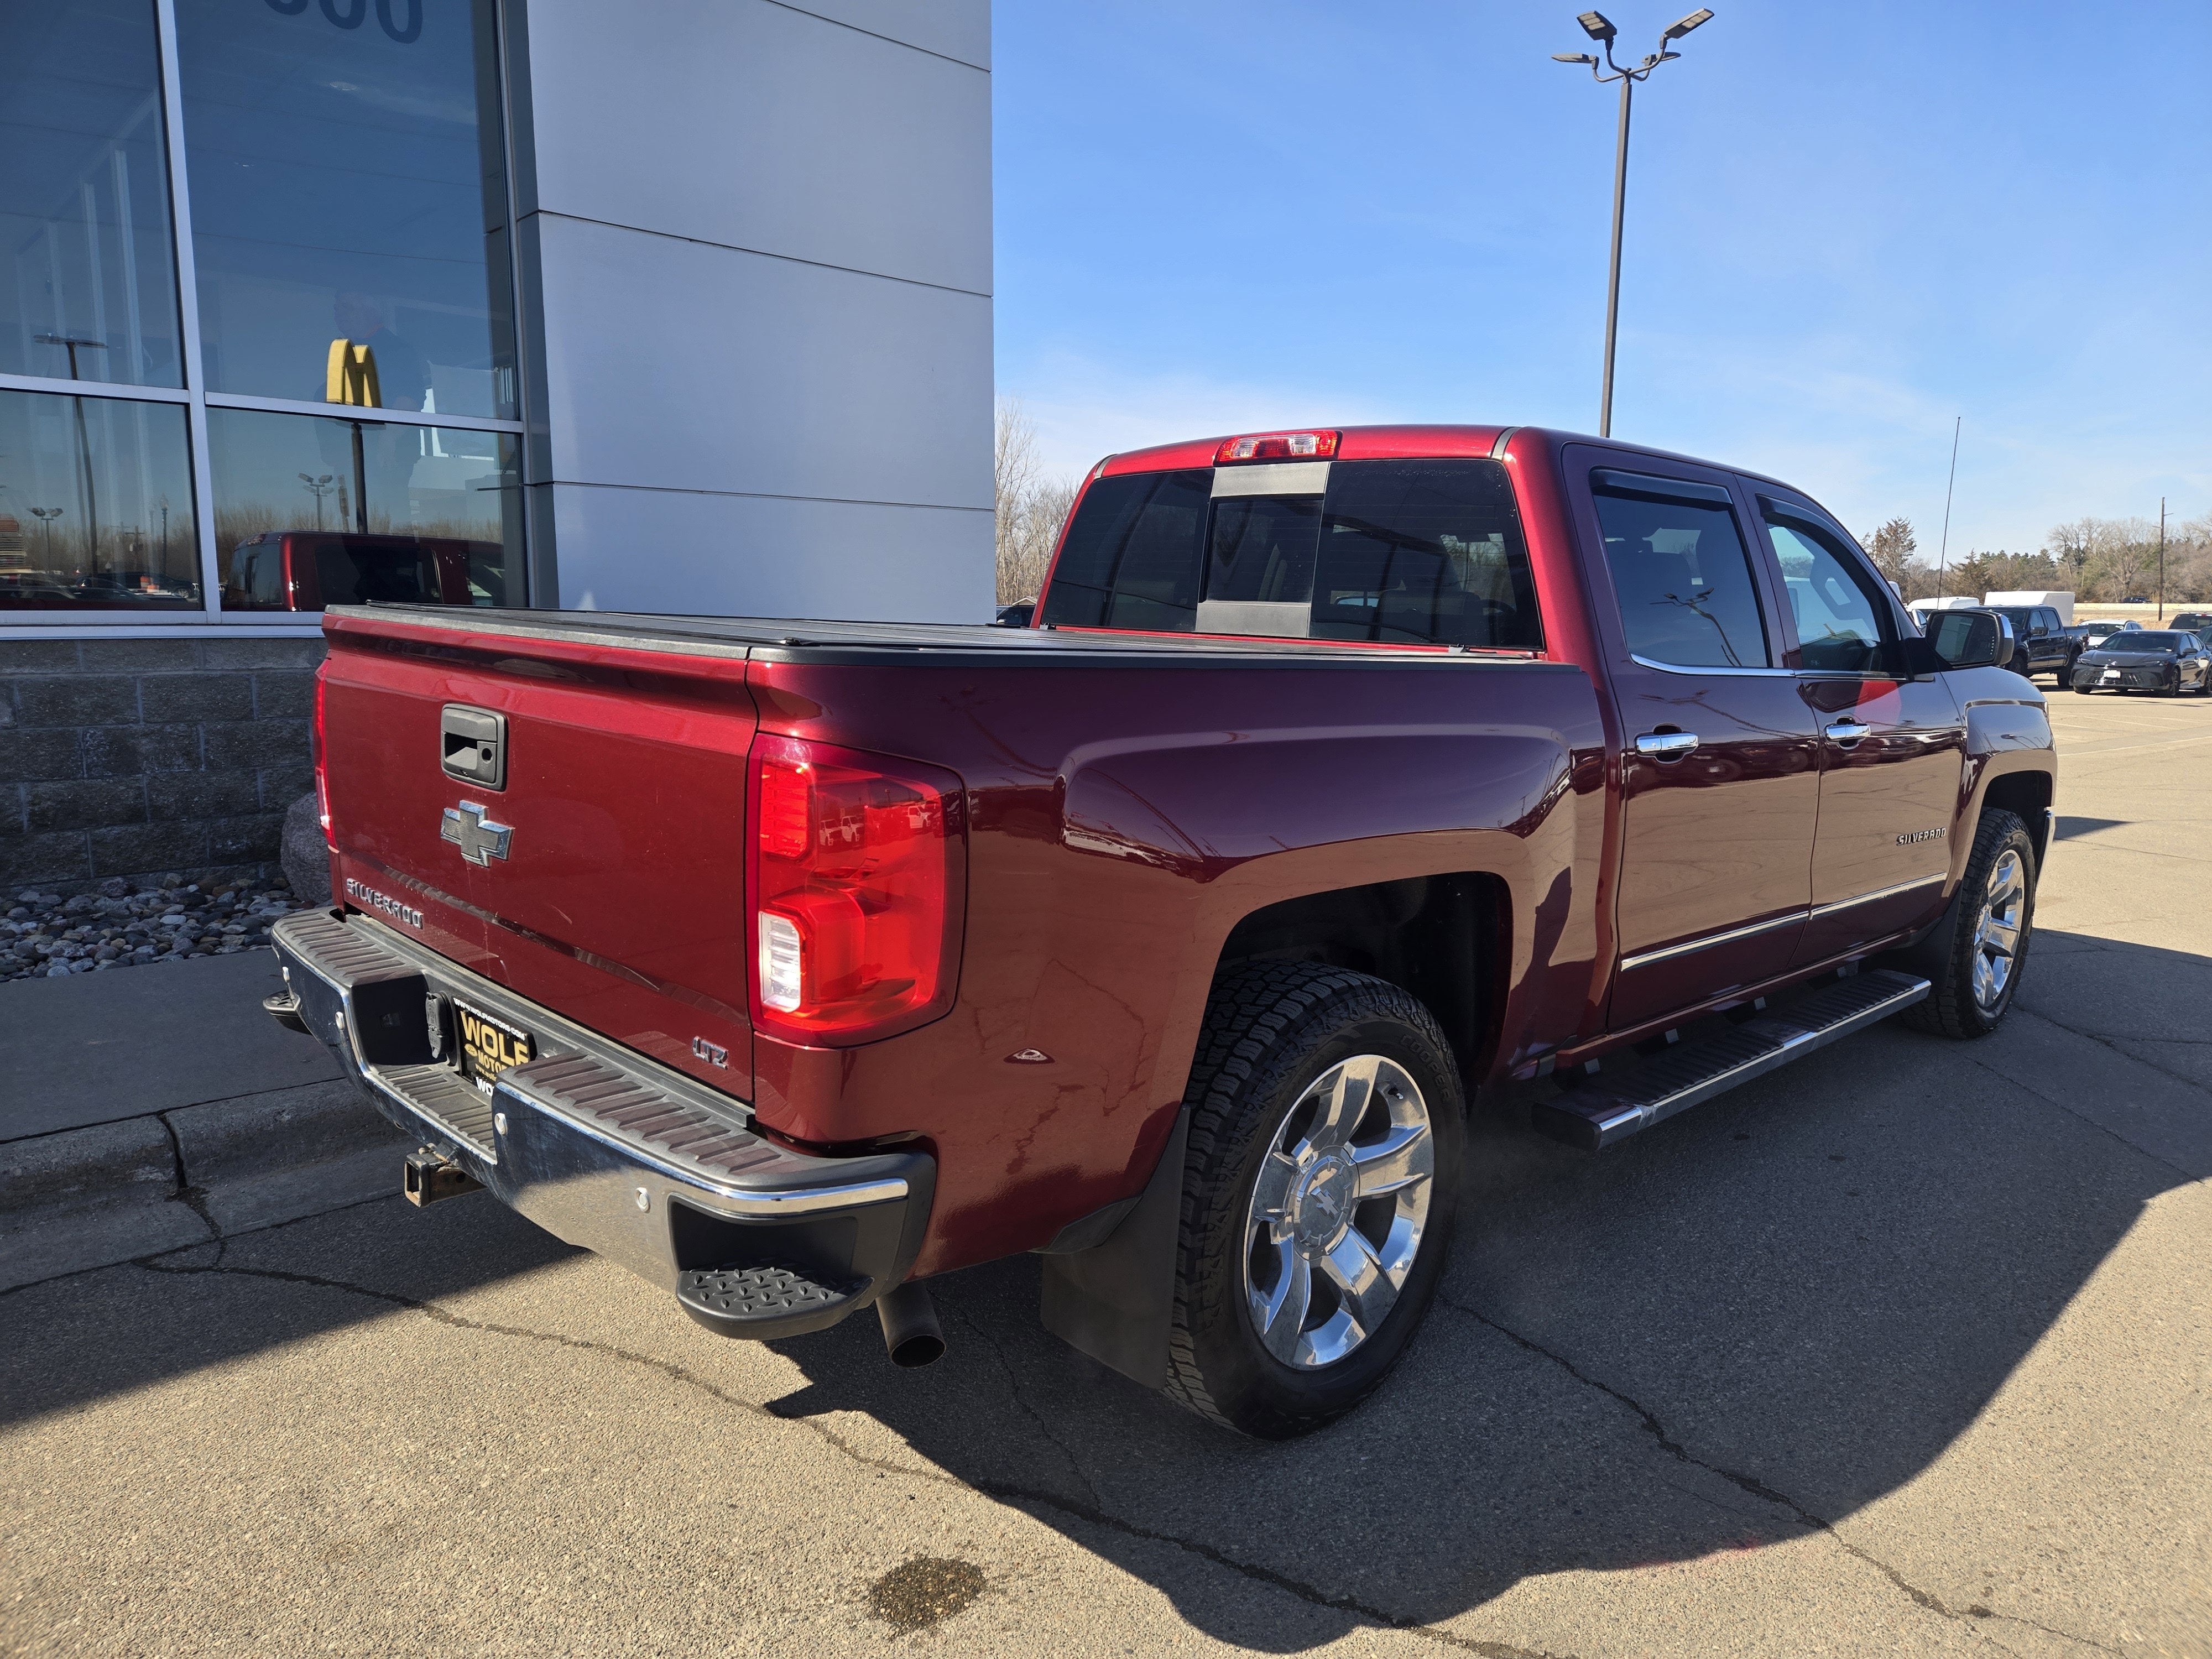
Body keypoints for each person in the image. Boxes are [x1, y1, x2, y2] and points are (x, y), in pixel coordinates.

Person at [329, 291, 432, 413]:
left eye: (347, 307)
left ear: (371, 312)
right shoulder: (345, 350)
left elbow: (407, 404)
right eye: (337, 309)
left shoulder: (396, 350)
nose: (339, 315)